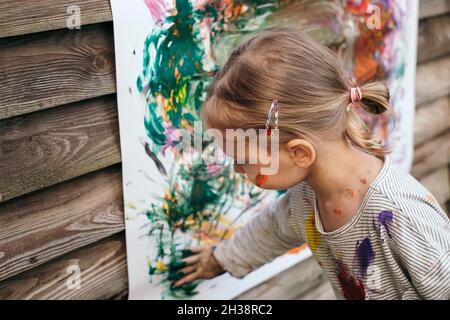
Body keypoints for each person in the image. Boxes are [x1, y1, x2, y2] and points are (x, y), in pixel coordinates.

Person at [173, 27, 450, 299]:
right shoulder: (306, 199)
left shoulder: (402, 215)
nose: (236, 168)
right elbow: (271, 230)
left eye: (243, 159)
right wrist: (220, 260)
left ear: (300, 153)